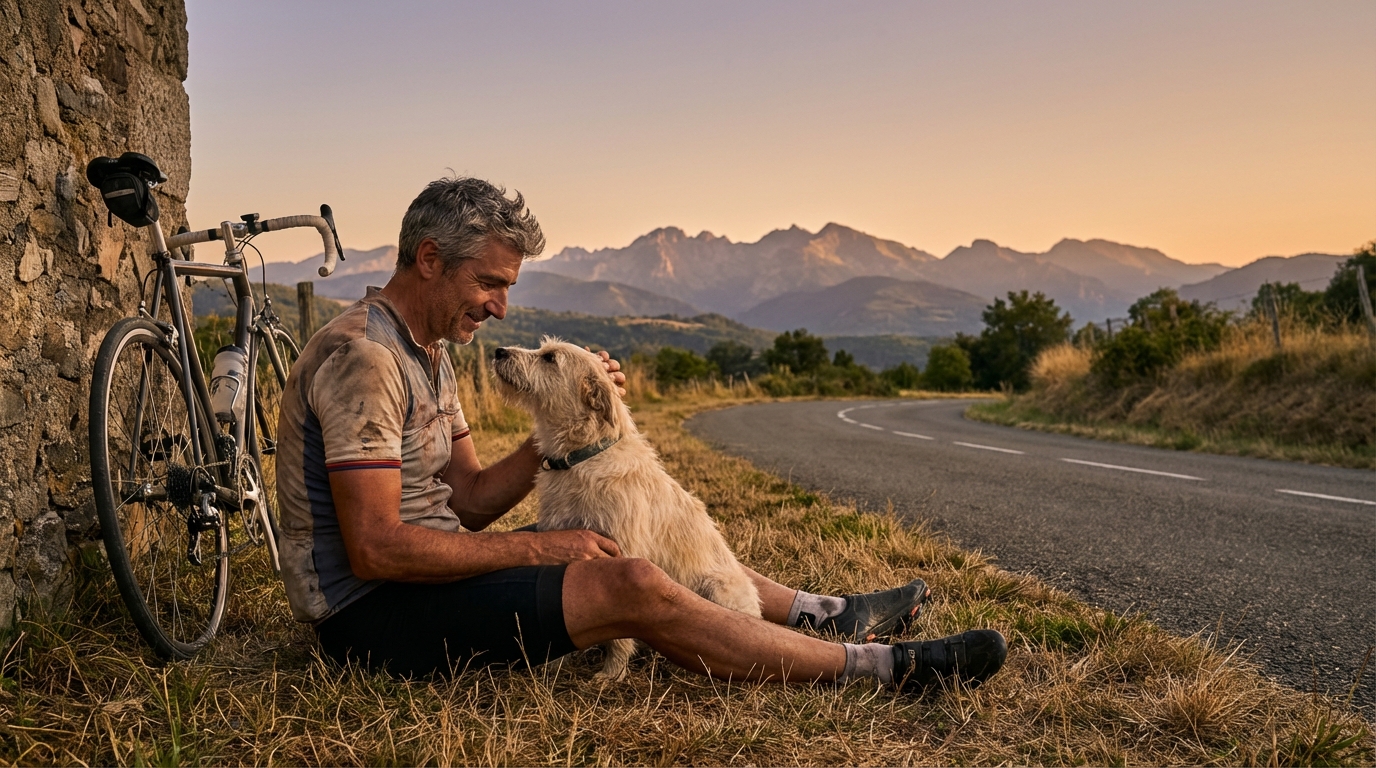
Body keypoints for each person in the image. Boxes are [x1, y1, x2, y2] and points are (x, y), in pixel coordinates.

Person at [274, 177, 1007, 692]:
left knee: (653, 539)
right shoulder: (366, 359)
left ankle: (825, 613)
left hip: (433, 576)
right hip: (373, 621)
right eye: (491, 284)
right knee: (630, 578)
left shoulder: (426, 352)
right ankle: (879, 667)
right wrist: (541, 546)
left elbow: (464, 499)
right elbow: (374, 549)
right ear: (430, 259)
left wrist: (571, 433)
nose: (500, 308)